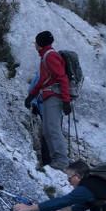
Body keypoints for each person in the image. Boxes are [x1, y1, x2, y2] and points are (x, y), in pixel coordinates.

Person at [24, 31, 71, 171]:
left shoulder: (50, 56)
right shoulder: (46, 56)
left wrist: (66, 101)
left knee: (53, 129)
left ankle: (61, 161)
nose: (34, 44)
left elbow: (62, 78)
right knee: (47, 129)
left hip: (54, 97)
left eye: (36, 41)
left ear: (40, 43)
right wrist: (31, 96)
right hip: (49, 96)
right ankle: (55, 160)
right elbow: (42, 81)